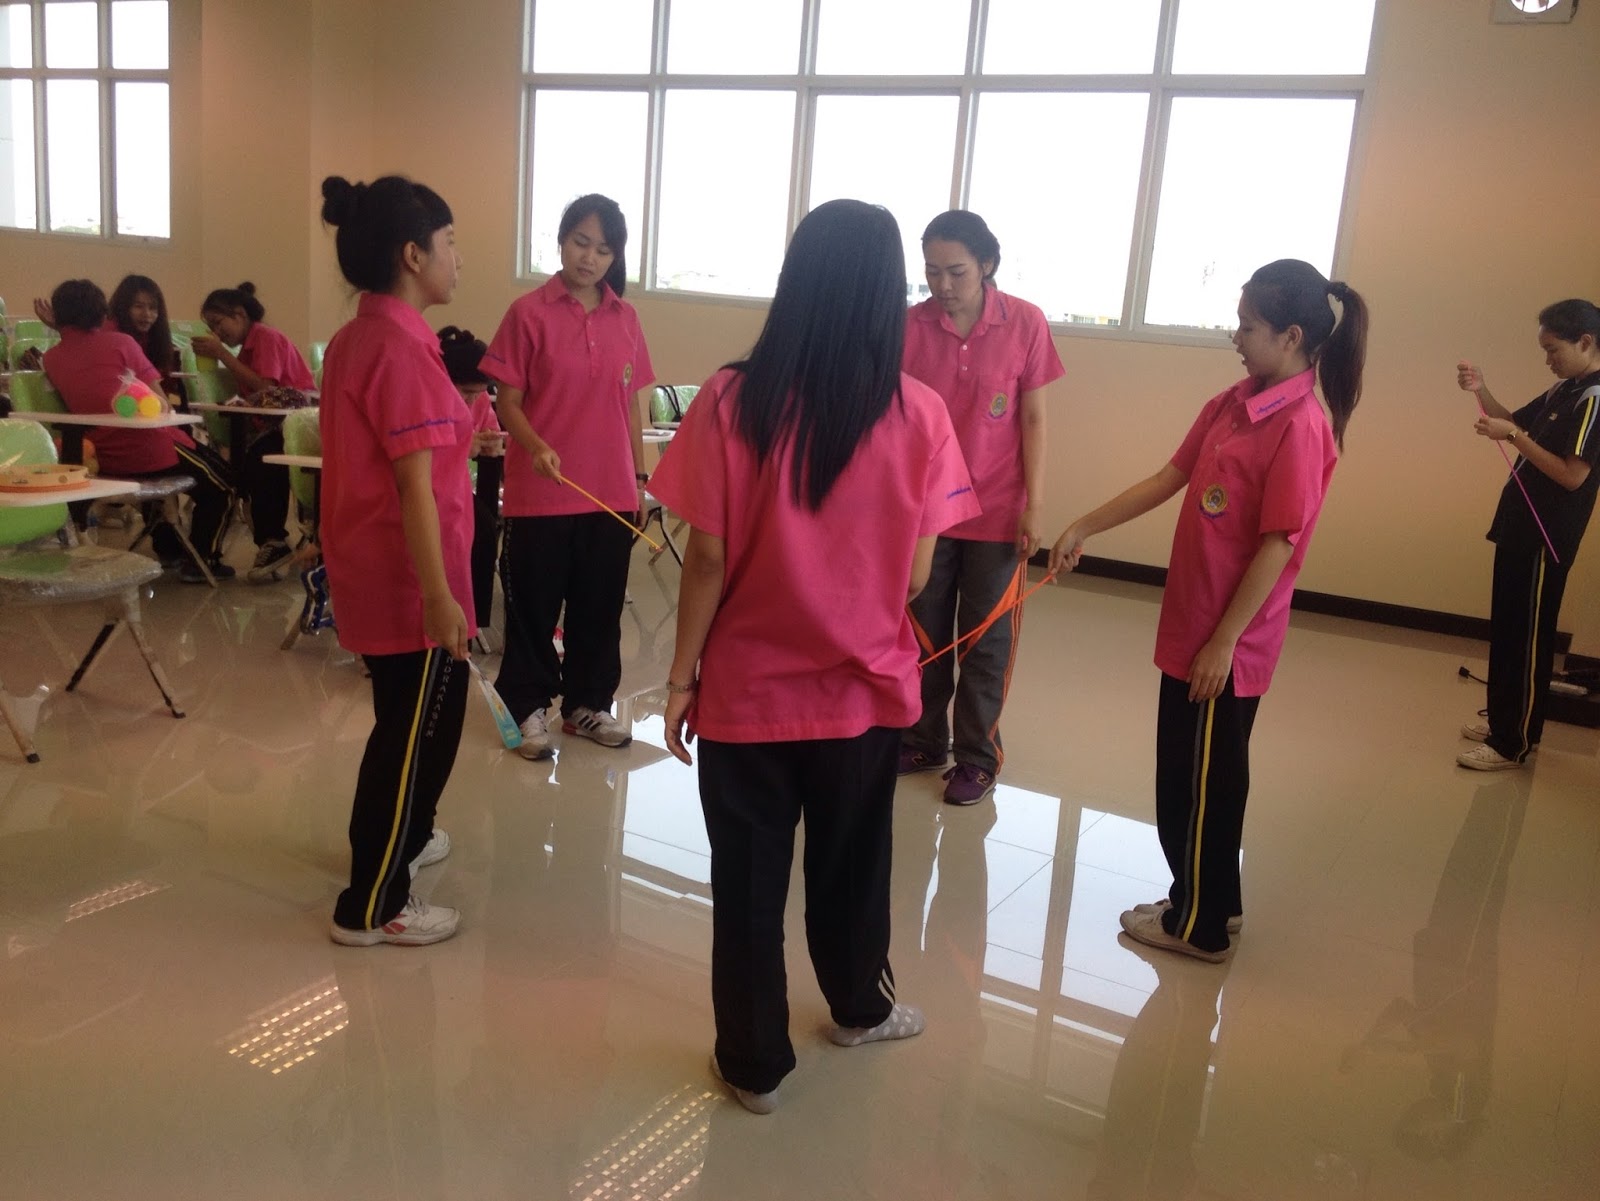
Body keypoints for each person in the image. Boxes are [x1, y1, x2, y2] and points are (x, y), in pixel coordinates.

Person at [651, 198, 981, 1113]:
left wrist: (679, 678)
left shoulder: (730, 398)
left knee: (747, 884)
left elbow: (706, 557)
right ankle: (858, 1008)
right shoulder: (919, 412)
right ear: (886, 295)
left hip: (746, 696)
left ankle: (753, 1063)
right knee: (853, 867)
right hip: (862, 695)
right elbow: (917, 575)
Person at [1049, 259, 1369, 963]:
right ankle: (1215, 899)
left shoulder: (1300, 425)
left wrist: (1224, 641)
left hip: (1227, 641)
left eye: (1247, 326)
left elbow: (1279, 544)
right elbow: (1170, 476)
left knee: (1198, 786)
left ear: (1290, 336)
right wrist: (1085, 525)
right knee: (1201, 773)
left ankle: (1197, 924)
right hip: (1194, 624)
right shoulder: (1234, 403)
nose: (1235, 336)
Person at [318, 174, 473, 947]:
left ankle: (403, 839)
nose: (457, 260)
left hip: (379, 568)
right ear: (414, 255)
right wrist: (440, 598)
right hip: (411, 581)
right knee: (410, 741)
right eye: (450, 245)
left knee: (410, 728)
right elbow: (414, 489)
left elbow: (408, 457)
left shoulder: (364, 337)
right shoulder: (400, 348)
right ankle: (374, 902)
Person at [479, 193, 656, 758]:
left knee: (599, 609)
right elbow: (508, 403)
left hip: (608, 491)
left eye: (603, 249)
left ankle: (587, 705)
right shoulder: (527, 313)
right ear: (561, 241)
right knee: (533, 609)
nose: (590, 257)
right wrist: (534, 446)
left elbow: (631, 404)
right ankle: (526, 708)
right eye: (581, 242)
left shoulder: (626, 318)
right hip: (541, 491)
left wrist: (638, 479)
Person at [899, 210, 1065, 805]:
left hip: (998, 511)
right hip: (926, 514)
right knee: (923, 633)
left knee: (984, 641)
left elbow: (1034, 419)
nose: (942, 285)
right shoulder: (908, 327)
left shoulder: (1025, 322)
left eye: (957, 271)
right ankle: (922, 739)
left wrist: (1035, 505)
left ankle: (977, 756)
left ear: (988, 265)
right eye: (931, 272)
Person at [1454, 300, 1600, 770]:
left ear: (1585, 342)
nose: (1548, 360)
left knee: (1528, 640)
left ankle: (1511, 743)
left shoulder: (1593, 398)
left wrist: (1514, 438)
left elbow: (1573, 476)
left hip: (1545, 537)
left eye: (1553, 349)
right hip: (1519, 527)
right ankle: (1507, 723)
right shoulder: (1565, 389)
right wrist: (1481, 389)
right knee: (1508, 631)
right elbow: (1514, 422)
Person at [40, 278, 238, 583]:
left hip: (102, 457)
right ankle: (203, 561)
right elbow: (161, 404)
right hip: (148, 450)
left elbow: (80, 357)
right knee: (224, 485)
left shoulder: (51, 358)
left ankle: (169, 549)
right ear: (103, 311)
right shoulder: (121, 343)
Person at [193, 281, 318, 583]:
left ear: (239, 314)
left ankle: (272, 540)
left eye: (219, 323)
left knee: (262, 460)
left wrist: (222, 354)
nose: (217, 332)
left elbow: (266, 387)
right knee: (245, 465)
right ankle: (269, 540)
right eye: (211, 327)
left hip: (301, 423)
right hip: (277, 424)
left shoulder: (265, 337)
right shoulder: (246, 349)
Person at [439, 325, 507, 646]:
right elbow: (428, 450)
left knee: (484, 529)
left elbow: (489, 431)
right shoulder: (431, 398)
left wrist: (490, 443)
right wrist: (467, 446)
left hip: (458, 486)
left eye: (479, 394)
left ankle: (474, 618)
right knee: (479, 528)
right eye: (467, 392)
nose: (473, 400)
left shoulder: (478, 400)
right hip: (431, 489)